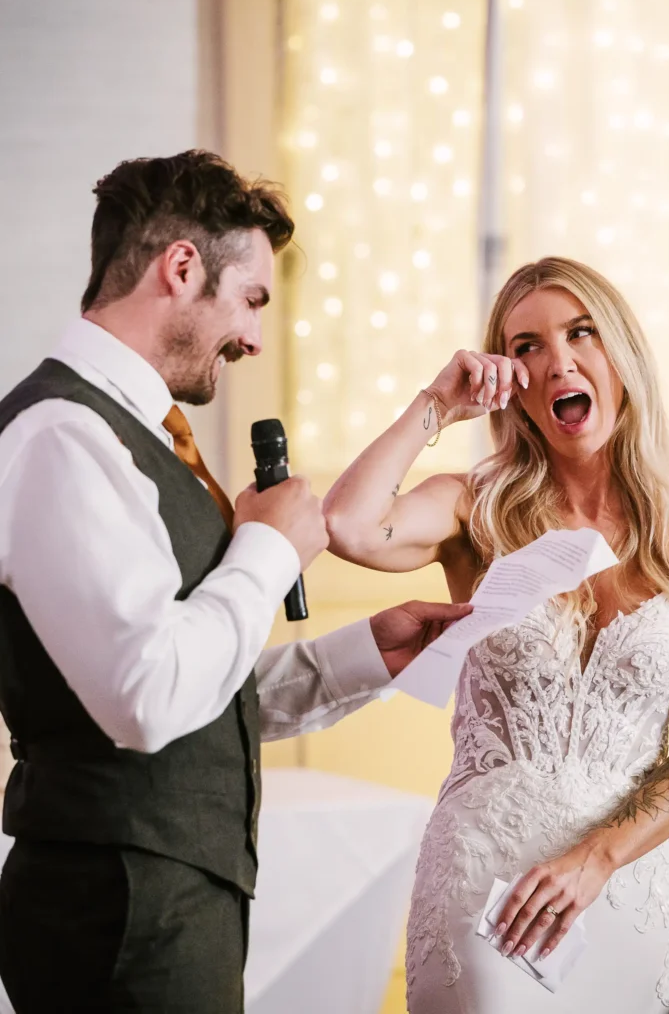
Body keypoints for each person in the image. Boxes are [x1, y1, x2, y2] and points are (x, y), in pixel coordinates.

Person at [0, 150, 471, 1014]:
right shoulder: (62, 438)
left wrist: (358, 657)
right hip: (119, 912)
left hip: (168, 901)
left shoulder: (135, 436)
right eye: (251, 299)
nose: (254, 338)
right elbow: (146, 698)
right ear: (181, 268)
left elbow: (189, 683)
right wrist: (267, 552)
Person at [324, 256, 669, 1013]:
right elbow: (348, 524)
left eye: (579, 333)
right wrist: (435, 404)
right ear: (509, 380)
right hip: (488, 889)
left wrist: (596, 860)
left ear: (620, 355)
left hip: (626, 889)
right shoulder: (470, 510)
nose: (557, 363)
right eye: (525, 347)